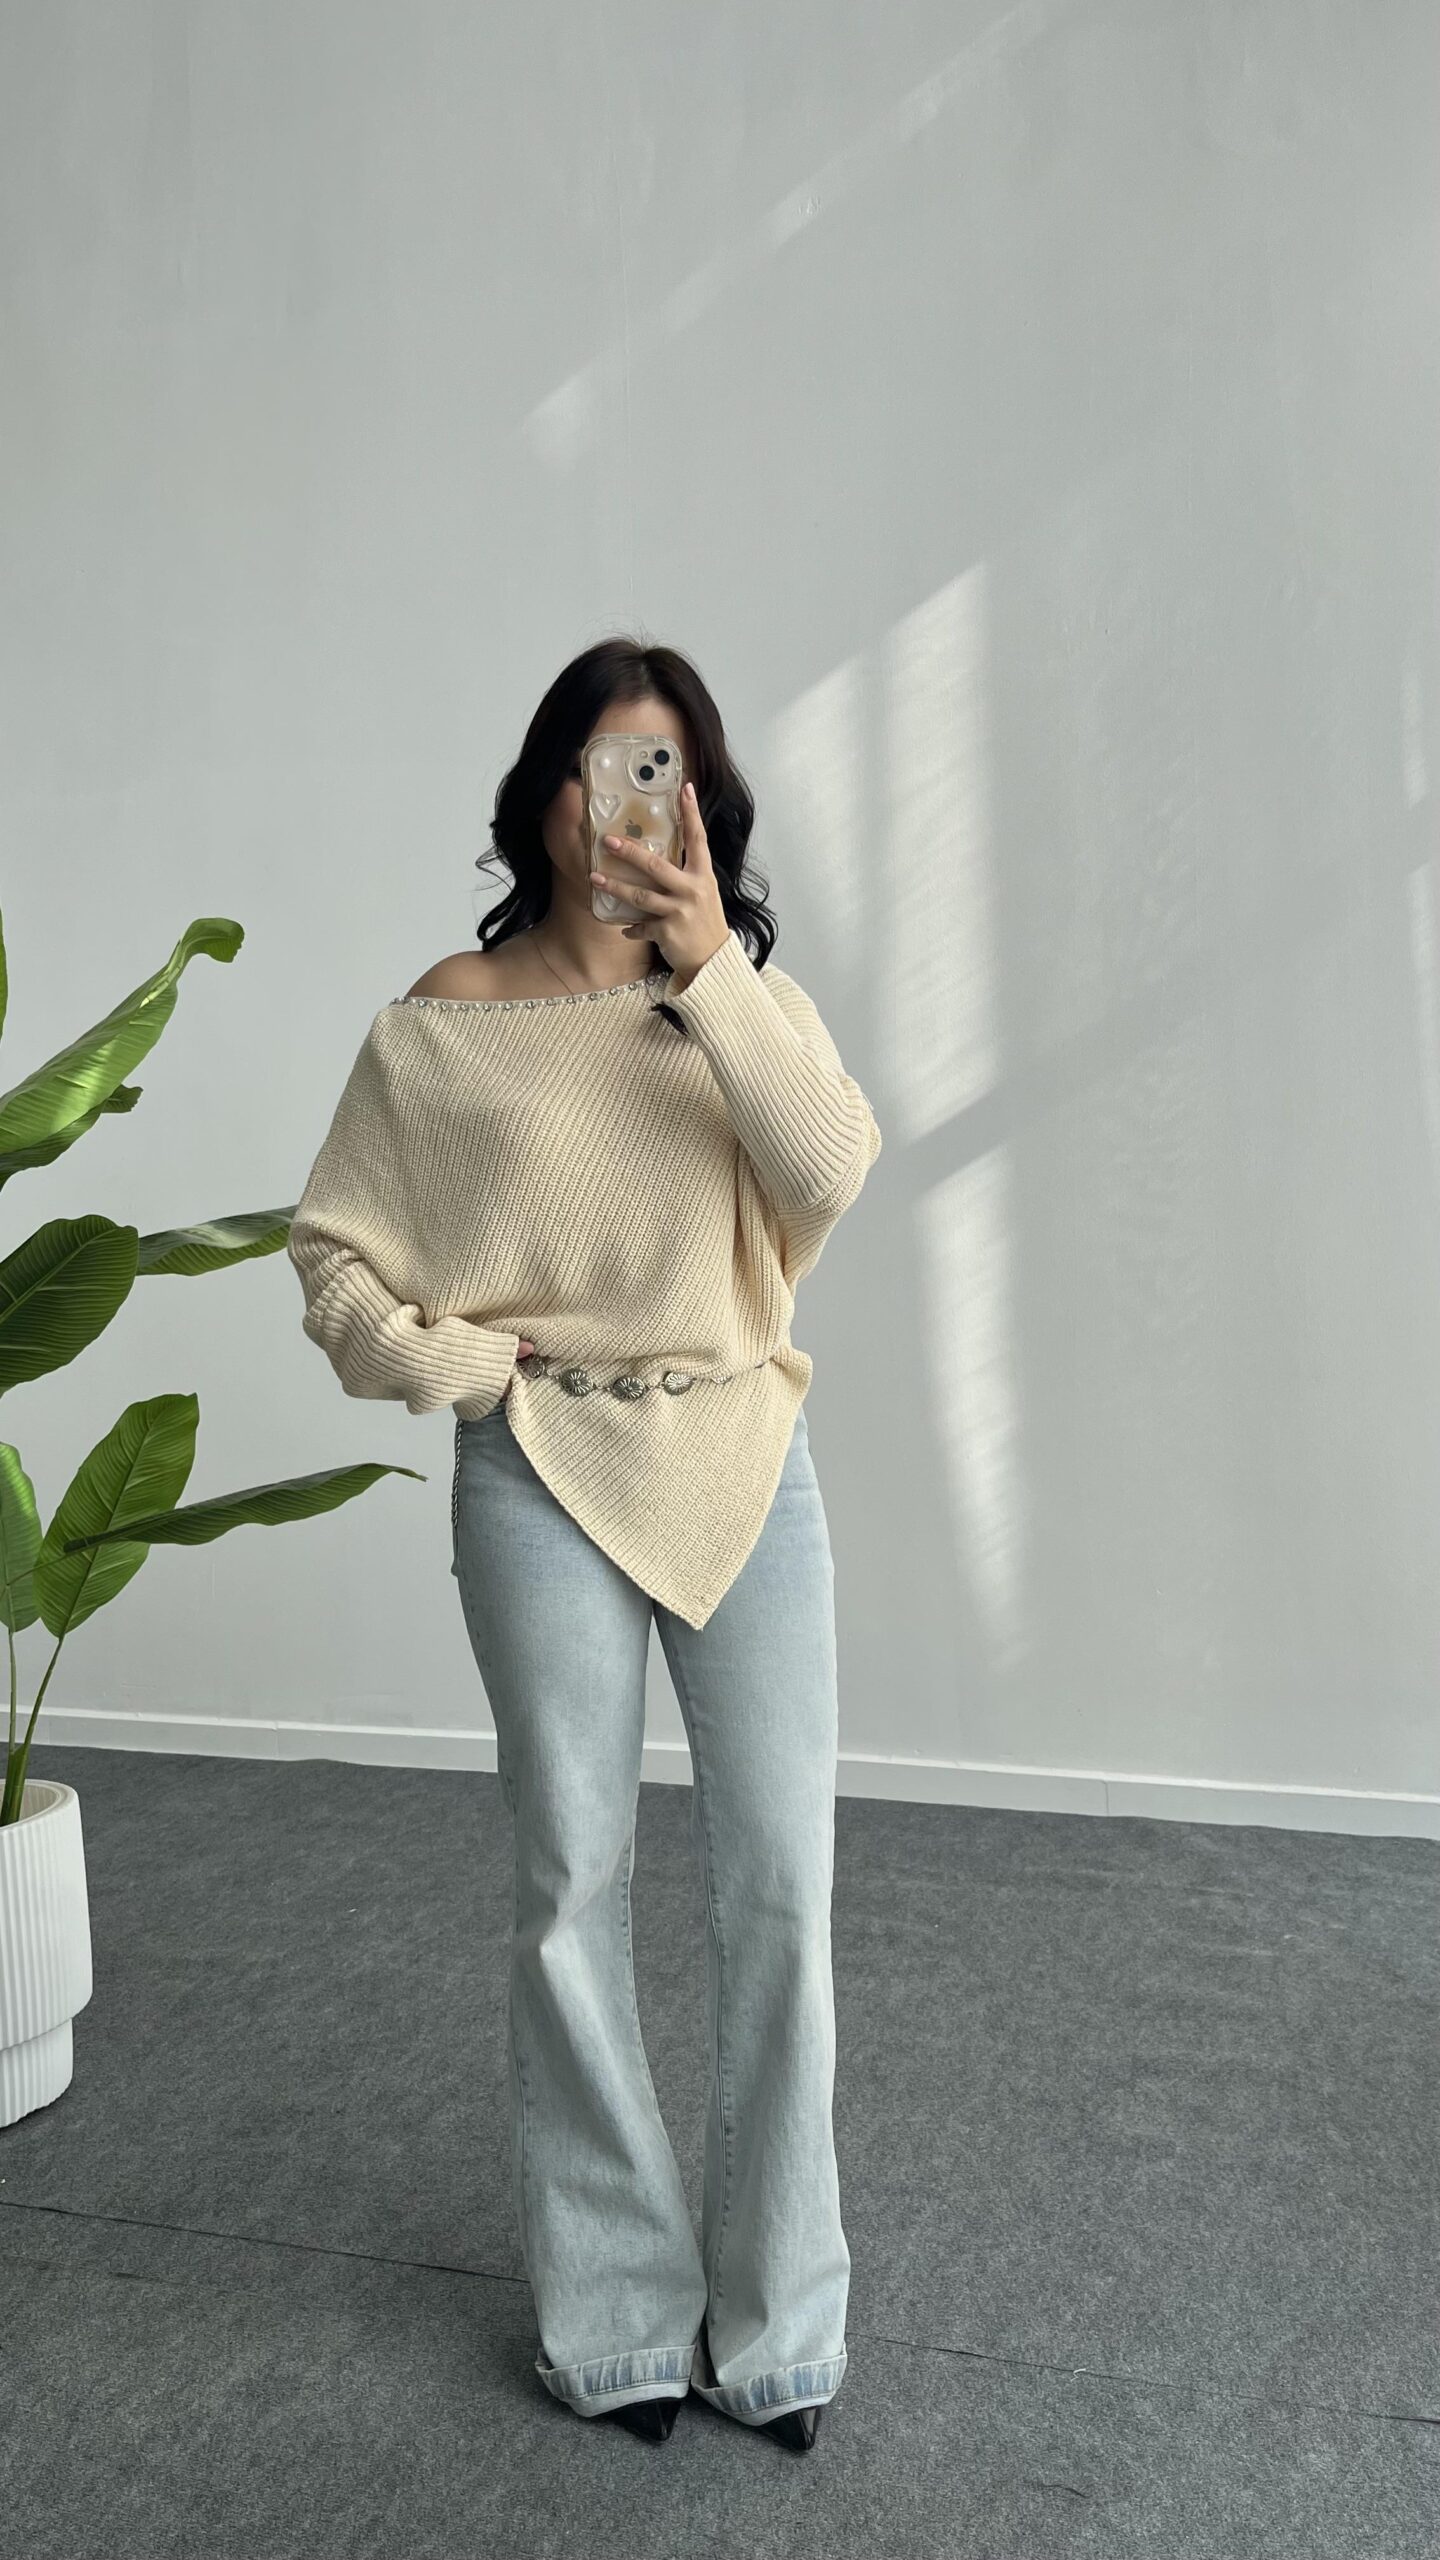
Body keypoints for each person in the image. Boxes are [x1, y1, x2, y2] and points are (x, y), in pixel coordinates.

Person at [287, 636, 882, 2455]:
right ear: (546, 789)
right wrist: (458, 1366)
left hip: (747, 1456)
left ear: (700, 810)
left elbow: (833, 1169)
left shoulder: (735, 1003)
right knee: (571, 1890)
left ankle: (777, 2322)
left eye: (664, 773)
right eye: (606, 766)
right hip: (540, 1467)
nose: (630, 806)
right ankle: (617, 2309)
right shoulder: (445, 1019)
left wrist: (713, 971)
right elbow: (333, 1251)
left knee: (781, 1888)